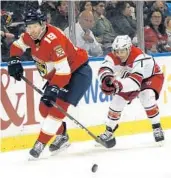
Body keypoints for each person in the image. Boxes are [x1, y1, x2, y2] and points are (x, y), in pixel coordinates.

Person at [7, 10, 92, 158]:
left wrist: (54, 87)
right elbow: (17, 45)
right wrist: (14, 59)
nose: (31, 30)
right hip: (59, 75)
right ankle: (62, 135)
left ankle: (40, 144)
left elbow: (64, 71)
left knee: (56, 110)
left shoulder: (54, 40)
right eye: (28, 26)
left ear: (43, 24)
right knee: (44, 108)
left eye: (34, 26)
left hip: (77, 73)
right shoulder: (30, 35)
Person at [98, 35, 164, 146]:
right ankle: (109, 130)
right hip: (130, 79)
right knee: (117, 101)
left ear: (129, 48)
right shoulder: (112, 56)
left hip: (151, 77)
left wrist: (117, 86)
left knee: (146, 96)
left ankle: (157, 127)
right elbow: (103, 68)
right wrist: (106, 78)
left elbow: (135, 83)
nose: (119, 54)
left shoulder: (139, 56)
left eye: (122, 51)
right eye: (116, 51)